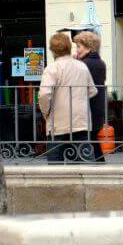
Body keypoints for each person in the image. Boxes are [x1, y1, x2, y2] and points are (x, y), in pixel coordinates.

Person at [38, 33, 97, 163]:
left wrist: (45, 112)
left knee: (55, 163)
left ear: (52, 50)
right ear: (69, 47)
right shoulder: (82, 66)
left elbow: (44, 94)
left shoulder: (52, 68)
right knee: (85, 160)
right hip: (80, 121)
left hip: (58, 122)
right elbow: (92, 91)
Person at [73, 31, 107, 162]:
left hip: (87, 107)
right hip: (98, 106)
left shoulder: (83, 64)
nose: (77, 50)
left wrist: (75, 62)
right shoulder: (100, 63)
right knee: (93, 138)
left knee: (86, 138)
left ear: (88, 47)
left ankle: (90, 164)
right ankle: (100, 162)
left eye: (78, 46)